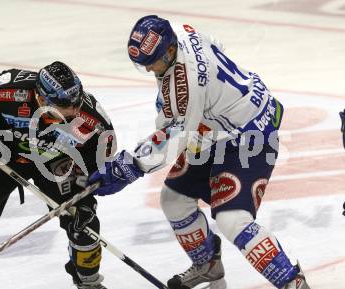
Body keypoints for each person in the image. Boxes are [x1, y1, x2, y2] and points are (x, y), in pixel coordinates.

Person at [88, 15, 311, 289]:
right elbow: (216, 45)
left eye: (152, 63)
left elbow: (176, 135)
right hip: (219, 127)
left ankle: (293, 283)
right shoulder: (179, 30)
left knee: (232, 219)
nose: (149, 71)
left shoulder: (185, 86)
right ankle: (209, 266)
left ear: (169, 51)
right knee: (174, 200)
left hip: (250, 133)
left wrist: (129, 166)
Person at [0, 61, 116, 289]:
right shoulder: (11, 91)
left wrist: (85, 192)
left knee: (84, 222)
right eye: (64, 105)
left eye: (76, 101)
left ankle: (88, 281)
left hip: (55, 161)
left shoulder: (93, 120)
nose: (74, 110)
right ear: (41, 97)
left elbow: (101, 158)